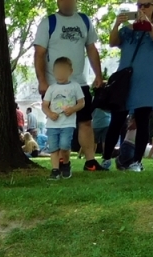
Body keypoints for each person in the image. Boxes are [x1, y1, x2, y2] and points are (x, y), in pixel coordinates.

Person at [34, 0, 106, 173]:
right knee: (57, 125)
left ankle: (90, 162)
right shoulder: (48, 23)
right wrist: (42, 81)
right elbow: (39, 54)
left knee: (85, 122)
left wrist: (98, 75)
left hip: (79, 83)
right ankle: (60, 164)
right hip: (54, 85)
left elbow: (91, 48)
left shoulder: (84, 21)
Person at [102, 1, 153, 172]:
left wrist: (148, 24)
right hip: (125, 82)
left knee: (143, 120)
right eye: (139, 5)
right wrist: (117, 24)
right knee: (117, 120)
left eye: (146, 5)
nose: (142, 8)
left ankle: (136, 162)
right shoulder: (127, 30)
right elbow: (113, 42)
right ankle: (106, 159)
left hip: (147, 81)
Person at [43, 57, 85, 179]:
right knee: (53, 147)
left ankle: (66, 164)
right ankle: (55, 169)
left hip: (68, 123)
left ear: (70, 72)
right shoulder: (51, 88)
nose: (60, 74)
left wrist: (72, 109)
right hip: (52, 124)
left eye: (63, 71)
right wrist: (50, 114)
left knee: (65, 145)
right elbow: (45, 105)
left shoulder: (75, 86)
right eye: (57, 71)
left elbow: (81, 103)